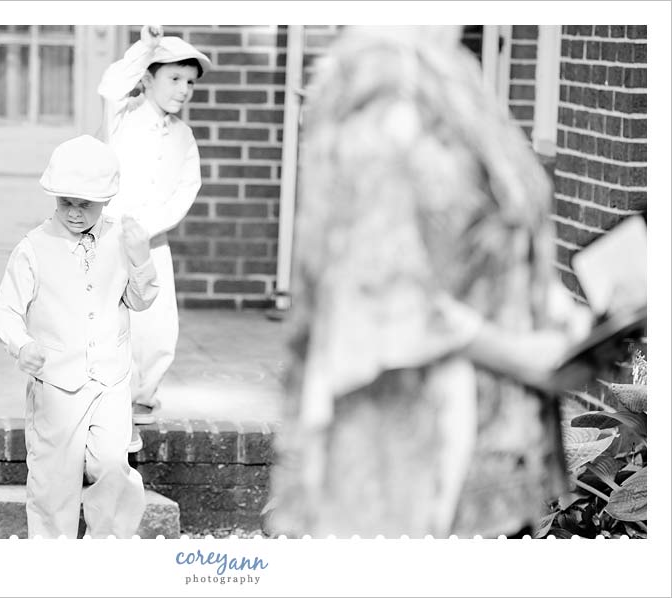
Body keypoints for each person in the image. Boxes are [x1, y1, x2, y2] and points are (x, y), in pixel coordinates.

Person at [267, 26, 597, 538]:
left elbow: (478, 235)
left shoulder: (450, 67)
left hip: (487, 458)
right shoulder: (376, 76)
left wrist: (557, 313)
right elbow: (376, 286)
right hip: (413, 457)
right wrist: (523, 355)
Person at [0, 134, 158, 539]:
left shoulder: (121, 240)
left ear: (107, 201)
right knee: (53, 479)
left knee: (112, 465)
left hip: (110, 379)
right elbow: (4, 310)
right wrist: (22, 344)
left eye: (86, 204)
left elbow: (141, 299)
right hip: (58, 383)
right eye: (66, 203)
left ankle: (107, 553)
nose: (75, 213)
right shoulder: (34, 247)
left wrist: (140, 256)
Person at [97, 25, 212, 452]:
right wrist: (145, 47)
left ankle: (140, 399)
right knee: (109, 323)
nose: (183, 90)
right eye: (174, 79)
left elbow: (187, 188)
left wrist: (152, 227)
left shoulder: (183, 136)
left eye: (190, 83)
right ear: (148, 78)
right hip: (111, 237)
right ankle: (110, 408)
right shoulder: (122, 114)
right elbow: (112, 84)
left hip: (151, 240)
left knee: (158, 325)